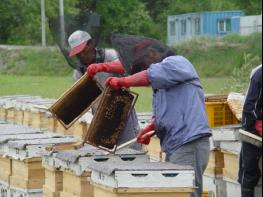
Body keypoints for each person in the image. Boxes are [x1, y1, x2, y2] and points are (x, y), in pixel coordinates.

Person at [105, 38, 211, 197]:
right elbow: (166, 111)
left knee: (185, 193)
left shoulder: (177, 62)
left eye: (142, 66)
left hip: (189, 143)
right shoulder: (162, 84)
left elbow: (149, 75)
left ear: (153, 53)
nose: (141, 70)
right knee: (175, 193)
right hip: (176, 144)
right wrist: (150, 128)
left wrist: (122, 81)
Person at [68, 30, 140, 148]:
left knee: (131, 153)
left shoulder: (112, 55)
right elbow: (80, 101)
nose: (81, 55)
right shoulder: (78, 72)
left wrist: (102, 67)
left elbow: (131, 70)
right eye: (77, 54)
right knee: (106, 161)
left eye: (83, 51)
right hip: (100, 120)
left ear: (91, 44)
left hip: (123, 114)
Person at [238, 64, 262, 197]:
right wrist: (256, 123)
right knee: (249, 172)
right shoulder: (259, 75)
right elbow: (249, 107)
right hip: (252, 131)